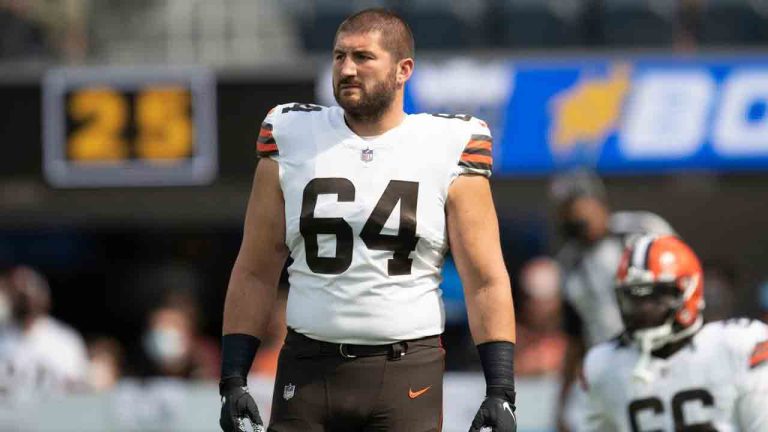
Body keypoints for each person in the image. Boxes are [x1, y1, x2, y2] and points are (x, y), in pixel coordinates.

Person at [218, 8, 517, 432]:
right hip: (307, 367)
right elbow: (255, 267)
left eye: (363, 57)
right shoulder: (291, 132)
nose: (347, 69)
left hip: (405, 369)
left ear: (402, 70)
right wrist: (233, 377)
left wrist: (501, 390)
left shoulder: (448, 144)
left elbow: (485, 278)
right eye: (339, 57)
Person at [581, 235, 768, 431]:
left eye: (656, 297)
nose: (643, 309)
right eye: (634, 298)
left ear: (688, 290)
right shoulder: (603, 365)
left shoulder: (739, 344)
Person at [550, 170, 675, 431]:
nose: (576, 216)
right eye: (567, 209)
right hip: (610, 368)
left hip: (662, 358)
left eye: (579, 205)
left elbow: (684, 284)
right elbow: (575, 336)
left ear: (598, 202)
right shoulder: (569, 261)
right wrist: (561, 402)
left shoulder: (642, 230)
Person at [0, 266, 89, 399]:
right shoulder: (3, 337)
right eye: (17, 293)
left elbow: (79, 392)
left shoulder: (64, 341)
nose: (25, 299)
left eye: (28, 291)